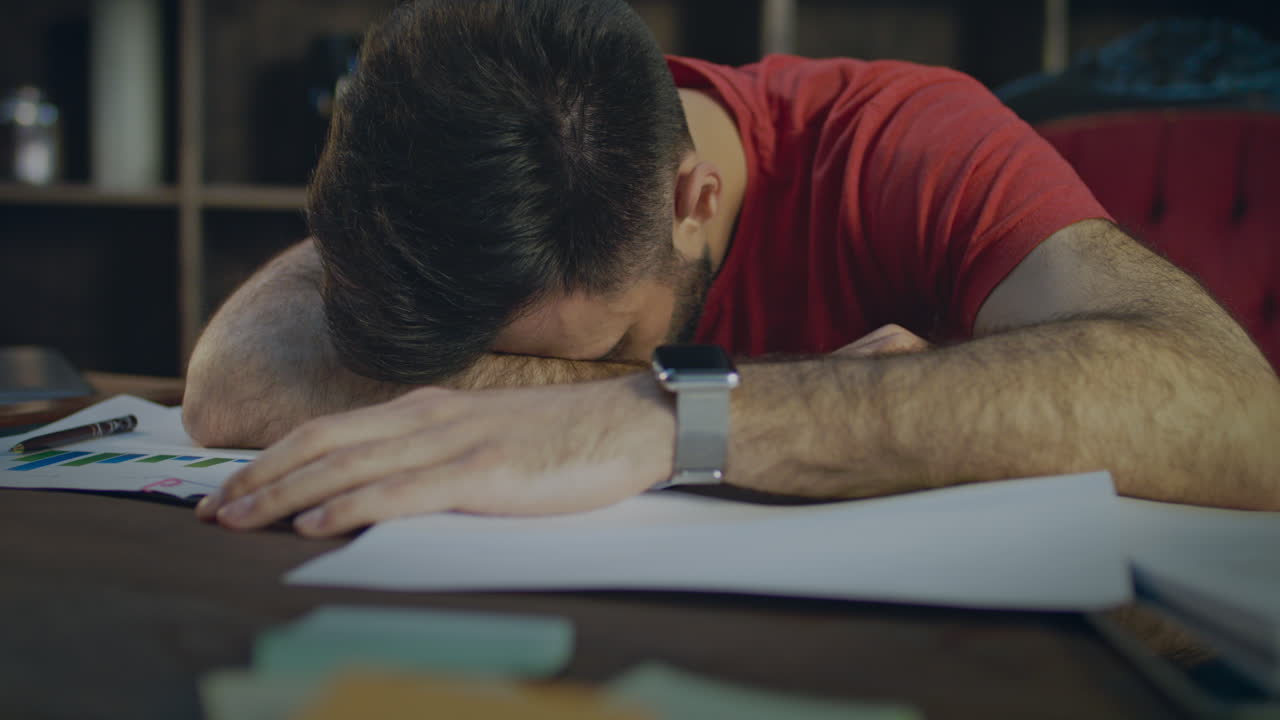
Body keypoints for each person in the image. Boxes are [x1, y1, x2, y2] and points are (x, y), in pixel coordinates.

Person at [184, 0, 1280, 537]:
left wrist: (668, 416)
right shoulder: (473, 168)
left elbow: (1239, 417)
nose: (598, 375)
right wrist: (579, 396)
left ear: (690, 200)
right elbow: (231, 377)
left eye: (612, 343)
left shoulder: (905, 140)